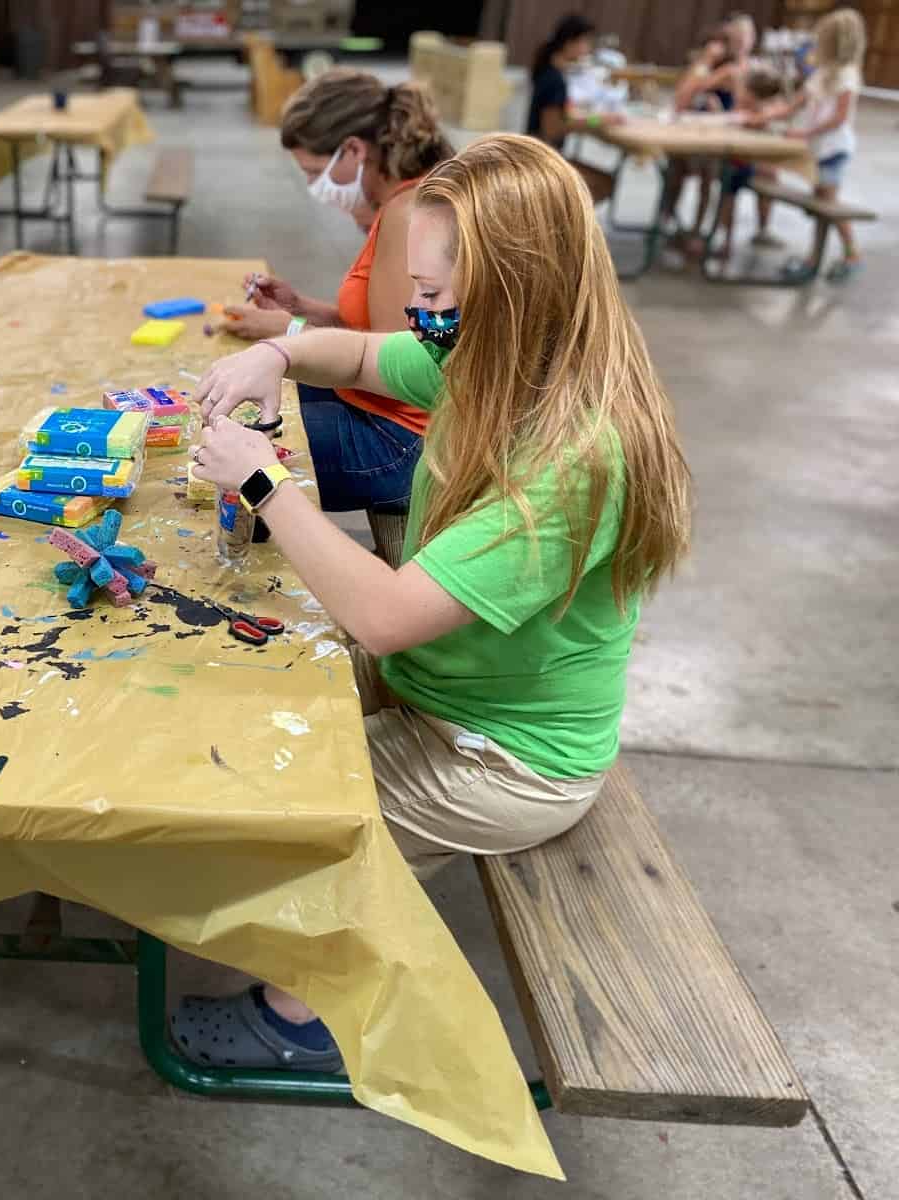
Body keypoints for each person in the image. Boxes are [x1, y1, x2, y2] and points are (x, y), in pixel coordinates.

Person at [173, 134, 692, 1070]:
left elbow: (385, 616)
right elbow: (370, 355)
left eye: (433, 297)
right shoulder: (490, 359)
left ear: (513, 288)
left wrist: (264, 484)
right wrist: (281, 358)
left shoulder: (571, 459)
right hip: (445, 687)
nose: (419, 316)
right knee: (250, 698)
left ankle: (312, 1018)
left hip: (512, 757)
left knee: (300, 811)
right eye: (417, 292)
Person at [223, 70, 453, 522]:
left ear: (353, 150)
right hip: (385, 415)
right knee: (235, 408)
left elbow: (397, 360)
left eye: (314, 171)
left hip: (402, 441)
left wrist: (289, 333)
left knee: (225, 450)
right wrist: (302, 308)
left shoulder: (408, 214)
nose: (314, 186)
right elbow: (377, 325)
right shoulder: (399, 204)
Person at [770, 8, 867, 281]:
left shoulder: (847, 75)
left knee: (828, 204)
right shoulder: (821, 73)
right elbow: (793, 105)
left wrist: (804, 133)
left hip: (834, 149)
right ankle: (815, 257)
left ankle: (850, 253)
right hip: (818, 147)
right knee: (820, 205)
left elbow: (839, 118)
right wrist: (762, 116)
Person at [659, 14, 761, 239]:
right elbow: (682, 98)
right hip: (700, 138)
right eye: (734, 38)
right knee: (676, 165)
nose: (738, 43)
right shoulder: (719, 67)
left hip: (726, 145)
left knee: (707, 172)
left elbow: (744, 112)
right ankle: (667, 223)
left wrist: (705, 66)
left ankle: (697, 233)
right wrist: (704, 61)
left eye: (743, 37)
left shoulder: (736, 71)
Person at [699, 65, 785, 263]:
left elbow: (734, 123)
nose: (740, 93)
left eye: (743, 90)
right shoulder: (753, 110)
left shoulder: (763, 112)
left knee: (729, 179)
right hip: (745, 163)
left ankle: (726, 242)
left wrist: (720, 112)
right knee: (726, 175)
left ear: (752, 94)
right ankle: (724, 238)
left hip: (750, 166)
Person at [526, 14, 596, 149]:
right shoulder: (555, 80)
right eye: (585, 42)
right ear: (569, 42)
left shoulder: (547, 68)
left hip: (536, 150)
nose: (587, 49)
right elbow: (551, 129)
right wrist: (596, 121)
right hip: (543, 155)